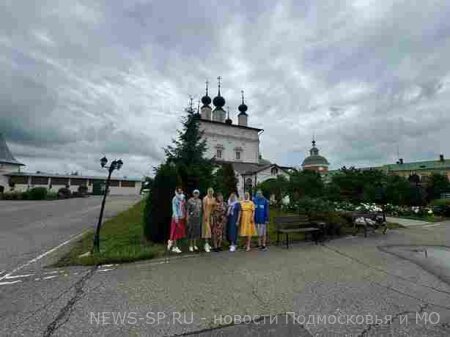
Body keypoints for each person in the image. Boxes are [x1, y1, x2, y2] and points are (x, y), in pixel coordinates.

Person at [168, 187, 186, 254]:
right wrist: (176, 217)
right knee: (175, 232)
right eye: (178, 191)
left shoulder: (182, 198)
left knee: (179, 233)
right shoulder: (175, 198)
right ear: (176, 192)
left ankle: (173, 244)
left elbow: (183, 207)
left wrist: (184, 216)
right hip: (176, 218)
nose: (180, 192)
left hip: (181, 217)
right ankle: (174, 247)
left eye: (181, 191)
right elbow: (174, 208)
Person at [202, 187, 216, 253]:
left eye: (211, 191)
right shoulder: (205, 198)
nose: (210, 192)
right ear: (208, 192)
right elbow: (204, 207)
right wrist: (205, 216)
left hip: (211, 215)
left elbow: (214, 207)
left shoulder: (213, 198)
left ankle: (208, 244)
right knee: (206, 230)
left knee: (211, 229)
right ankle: (206, 245)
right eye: (209, 191)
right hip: (206, 215)